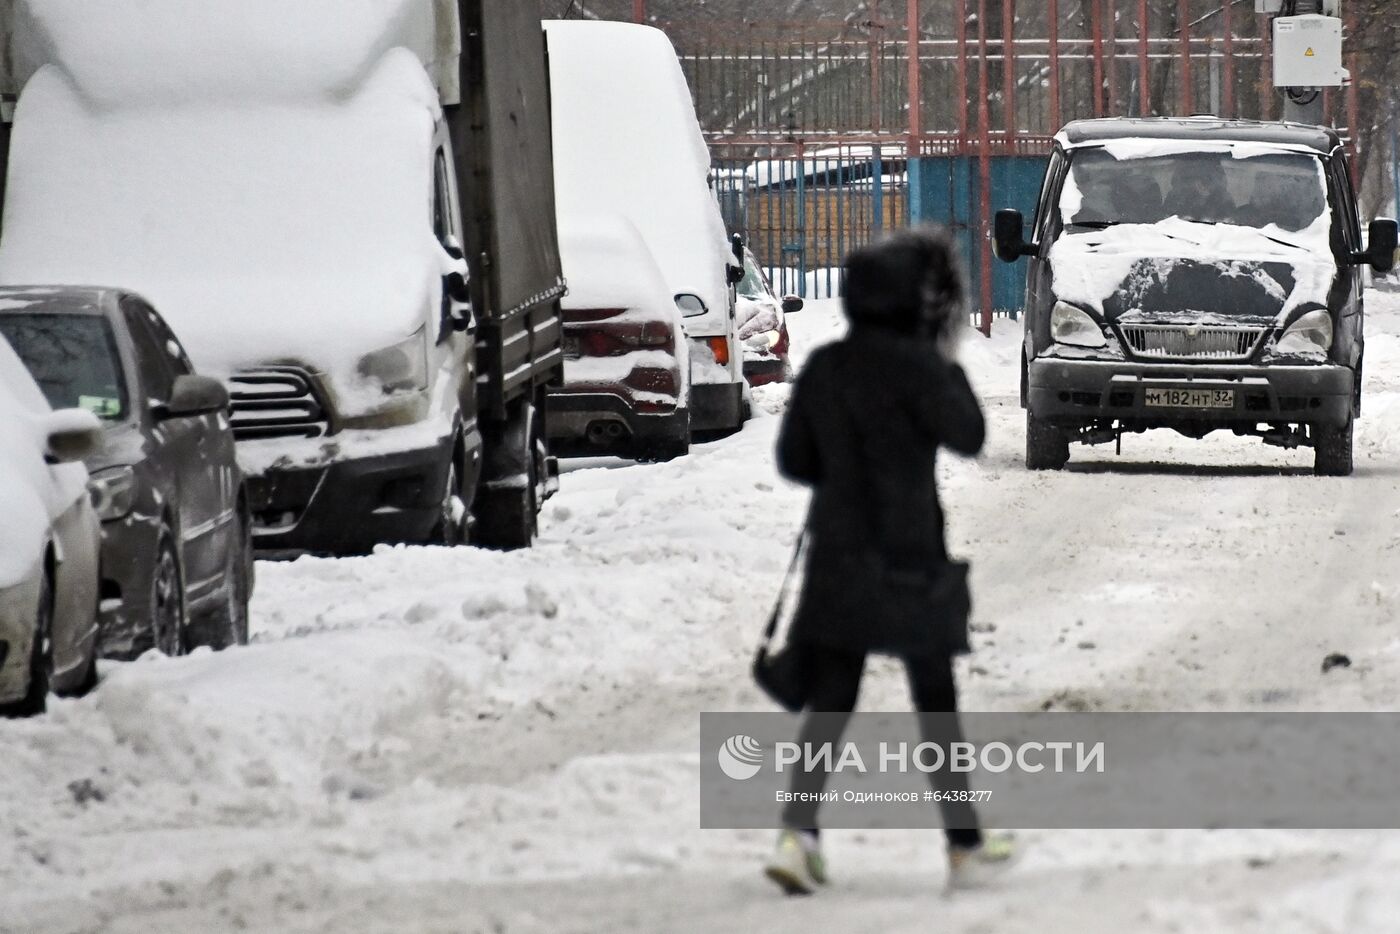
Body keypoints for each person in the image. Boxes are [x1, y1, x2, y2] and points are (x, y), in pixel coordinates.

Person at [763, 228, 1014, 895]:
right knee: (936, 704)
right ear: (912, 301)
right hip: (911, 562)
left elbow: (795, 462)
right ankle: (963, 845)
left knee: (831, 703)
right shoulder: (923, 368)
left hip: (840, 559)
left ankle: (799, 834)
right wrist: (944, 363)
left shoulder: (825, 369)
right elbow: (969, 436)